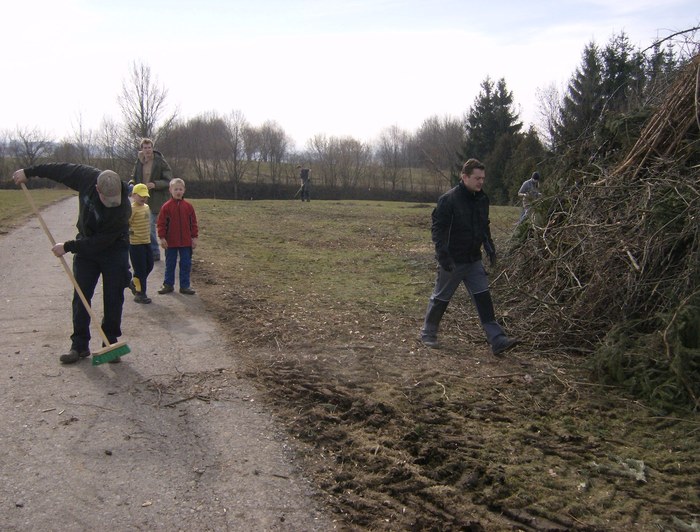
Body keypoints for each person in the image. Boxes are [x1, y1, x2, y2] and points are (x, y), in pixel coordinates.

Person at [12, 164, 131, 364]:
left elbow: (100, 242)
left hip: (114, 249)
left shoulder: (123, 209)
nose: (112, 203)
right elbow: (58, 171)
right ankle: (79, 345)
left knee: (114, 296)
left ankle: (110, 342)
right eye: (107, 199)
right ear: (97, 189)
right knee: (81, 295)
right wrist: (28, 173)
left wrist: (68, 246)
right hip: (86, 247)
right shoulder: (85, 177)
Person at [420, 158, 517, 356]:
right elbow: (438, 230)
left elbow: (484, 225)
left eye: (483, 178)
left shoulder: (482, 199)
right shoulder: (448, 200)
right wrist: (443, 256)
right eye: (477, 178)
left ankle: (497, 339)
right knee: (441, 297)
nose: (481, 182)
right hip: (452, 261)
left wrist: (489, 247)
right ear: (464, 177)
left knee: (483, 297)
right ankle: (428, 333)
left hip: (473, 260)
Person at [131, 138, 173, 261]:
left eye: (149, 147)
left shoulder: (160, 161)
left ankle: (167, 251)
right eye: (145, 148)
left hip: (158, 200)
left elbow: (169, 180)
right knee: (148, 226)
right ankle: (154, 252)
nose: (147, 150)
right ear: (142, 149)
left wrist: (155, 184)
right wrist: (131, 184)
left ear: (152, 148)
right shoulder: (139, 161)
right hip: (143, 200)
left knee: (161, 226)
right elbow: (134, 177)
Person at [157, 178, 198, 295]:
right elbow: (161, 223)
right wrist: (162, 238)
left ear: (184, 190)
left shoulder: (188, 207)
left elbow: (193, 223)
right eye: (176, 189)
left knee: (186, 264)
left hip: (186, 242)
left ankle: (185, 286)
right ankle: (168, 284)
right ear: (170, 190)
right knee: (170, 264)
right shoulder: (166, 207)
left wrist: (194, 237)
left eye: (180, 189)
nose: (178, 192)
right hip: (171, 242)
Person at [128, 184, 155, 304]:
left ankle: (134, 283)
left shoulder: (146, 207)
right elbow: (126, 223)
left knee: (150, 265)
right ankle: (140, 293)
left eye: (145, 196)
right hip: (135, 244)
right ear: (134, 195)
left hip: (146, 241)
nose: (143, 198)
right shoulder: (132, 209)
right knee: (140, 269)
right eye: (140, 196)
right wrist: (129, 234)